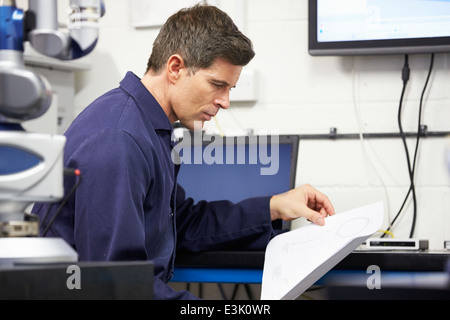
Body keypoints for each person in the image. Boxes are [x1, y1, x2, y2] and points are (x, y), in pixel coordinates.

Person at [32, 4, 335, 300]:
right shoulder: (119, 139)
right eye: (217, 84)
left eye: (230, 89)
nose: (225, 102)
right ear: (175, 67)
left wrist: (275, 207)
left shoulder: (148, 127)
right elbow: (115, 285)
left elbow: (183, 222)